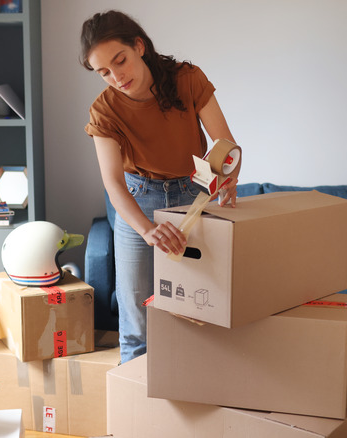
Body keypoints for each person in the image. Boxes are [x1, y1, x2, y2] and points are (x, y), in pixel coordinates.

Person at [81, 10, 239, 363]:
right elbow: (113, 183)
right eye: (103, 72)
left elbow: (223, 143)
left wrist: (228, 174)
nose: (116, 76)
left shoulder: (187, 79)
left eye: (120, 61)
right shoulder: (103, 111)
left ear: (139, 46)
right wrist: (148, 230)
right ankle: (135, 412)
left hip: (194, 191)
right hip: (139, 198)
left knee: (203, 309)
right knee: (137, 323)